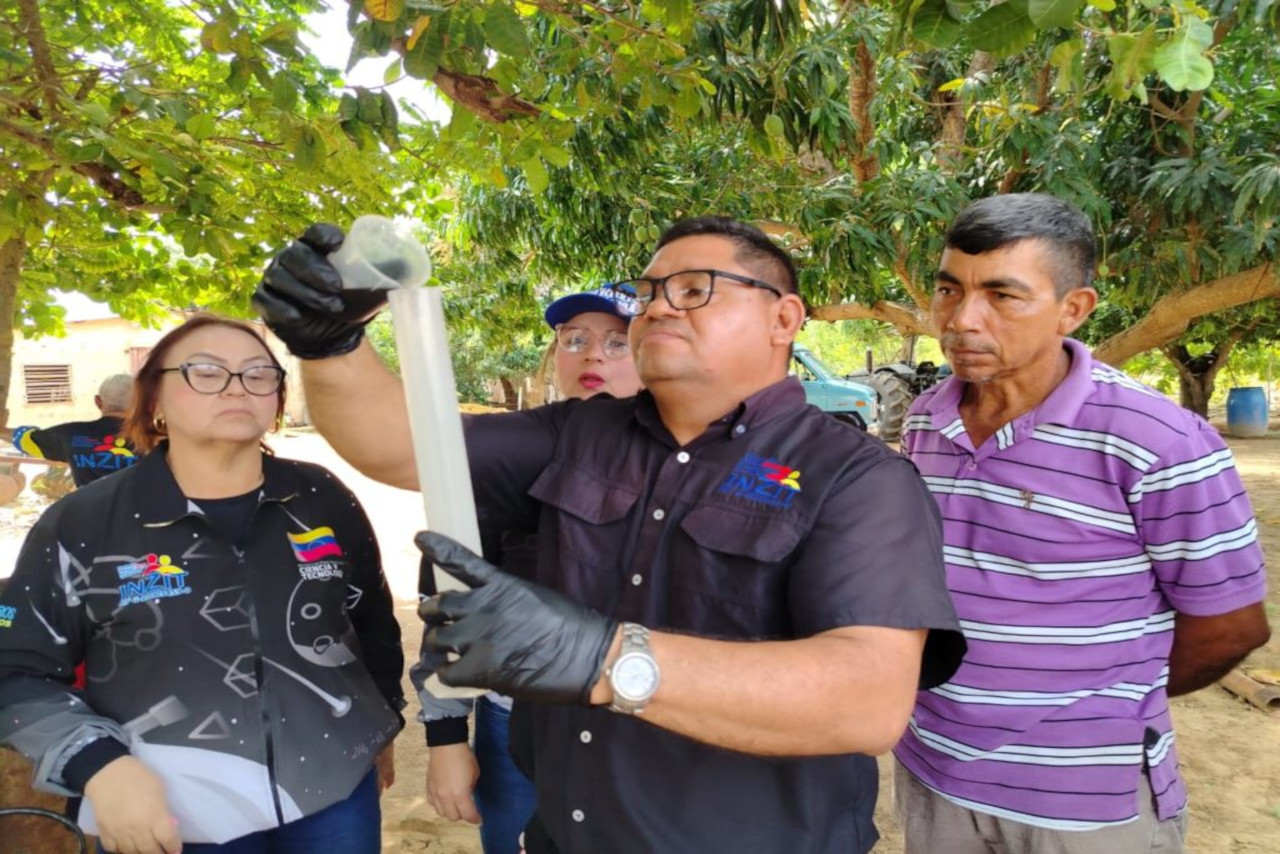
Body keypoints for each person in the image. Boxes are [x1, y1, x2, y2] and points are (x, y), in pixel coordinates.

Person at [253, 217, 966, 853]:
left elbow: (868, 700)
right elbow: (403, 449)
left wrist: (604, 658)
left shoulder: (855, 476)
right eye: (650, 289)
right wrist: (332, 345)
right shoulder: (580, 431)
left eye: (694, 288)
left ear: (783, 318)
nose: (657, 305)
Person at [892, 193, 1271, 854]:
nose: (960, 319)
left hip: (1088, 805)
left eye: (1002, 296)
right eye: (949, 289)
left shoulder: (1157, 441)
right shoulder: (927, 417)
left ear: (1074, 309)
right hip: (935, 770)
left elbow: (1231, 625)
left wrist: (1100, 705)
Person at [0, 314, 406, 854]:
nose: (237, 386)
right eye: (206, 372)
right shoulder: (83, 522)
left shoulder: (320, 498)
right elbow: (15, 670)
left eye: (259, 373)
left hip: (333, 792)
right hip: (171, 809)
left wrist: (382, 722)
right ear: (155, 403)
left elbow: (369, 620)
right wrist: (97, 765)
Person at [418, 287, 643, 854]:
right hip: (517, 724)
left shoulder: (699, 459)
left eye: (618, 342)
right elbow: (448, 604)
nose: (594, 355)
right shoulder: (501, 459)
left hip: (651, 723)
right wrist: (446, 736)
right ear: (555, 358)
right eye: (576, 340)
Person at [4, 373, 140, 486]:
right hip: (148, 517)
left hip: (92, 515)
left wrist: (2, 430)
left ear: (98, 401)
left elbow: (24, 439)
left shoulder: (70, 435)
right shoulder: (157, 437)